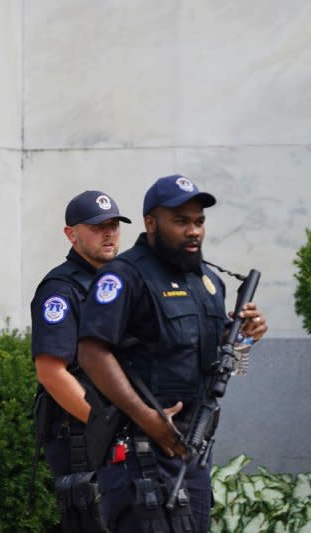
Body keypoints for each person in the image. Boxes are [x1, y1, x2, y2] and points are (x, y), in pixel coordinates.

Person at [77, 175, 268, 532]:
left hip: (191, 449)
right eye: (181, 221)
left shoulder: (209, 281)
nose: (194, 230)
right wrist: (146, 417)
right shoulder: (124, 276)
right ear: (151, 223)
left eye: (199, 221)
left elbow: (201, 346)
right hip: (139, 451)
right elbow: (92, 350)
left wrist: (246, 333)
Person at [30, 190, 131, 530]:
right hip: (82, 437)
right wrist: (107, 424)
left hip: (123, 431)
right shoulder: (60, 289)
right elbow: (51, 373)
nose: (109, 233)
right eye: (97, 226)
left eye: (114, 225)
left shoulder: (119, 283)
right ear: (71, 234)